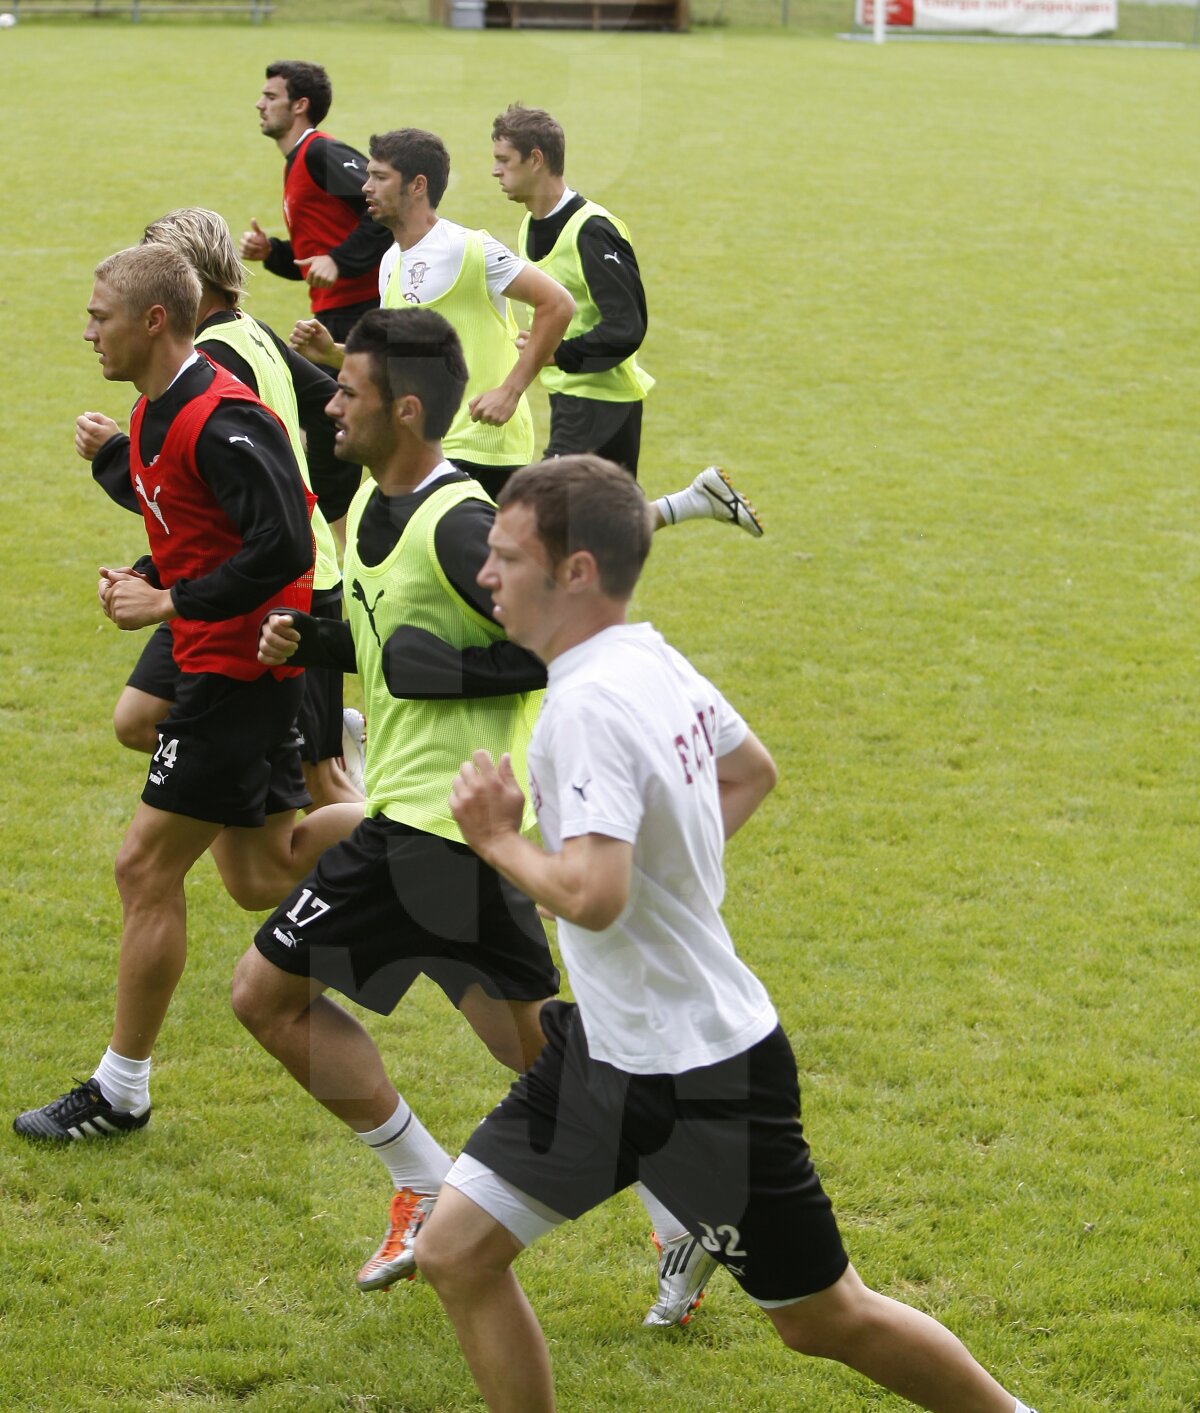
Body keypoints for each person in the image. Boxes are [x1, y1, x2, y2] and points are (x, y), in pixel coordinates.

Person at [414, 455, 1040, 1413]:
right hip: (605, 1057)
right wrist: (661, 874)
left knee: (826, 1318)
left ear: (575, 571)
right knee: (455, 1251)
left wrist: (501, 840)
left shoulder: (583, 703)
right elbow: (750, 772)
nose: (486, 574)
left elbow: (592, 894)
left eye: (504, 556)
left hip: (699, 1077)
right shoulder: (648, 655)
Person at [231, 308, 705, 1323]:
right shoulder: (368, 500)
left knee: (263, 996)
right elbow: (388, 634)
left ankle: (421, 1178)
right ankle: (690, 1207)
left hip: (431, 828)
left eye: (348, 390)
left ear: (402, 409)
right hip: (449, 827)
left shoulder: (455, 522)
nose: (332, 402)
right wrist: (312, 639)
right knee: (541, 1058)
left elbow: (554, 643)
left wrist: (436, 671)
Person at [12, 245, 359, 1144]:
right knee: (259, 874)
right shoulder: (153, 415)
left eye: (100, 316)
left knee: (144, 866)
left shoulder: (219, 418)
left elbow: (284, 545)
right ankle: (421, 824)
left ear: (154, 320)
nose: (87, 331)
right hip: (216, 660)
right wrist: (142, 575)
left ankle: (121, 1087)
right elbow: (195, 531)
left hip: (238, 673)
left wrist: (164, 602)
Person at [78, 207, 365, 808]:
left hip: (283, 586)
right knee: (138, 719)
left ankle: (379, 860)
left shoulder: (211, 363)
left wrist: (111, 456)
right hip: (225, 572)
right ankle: (235, 790)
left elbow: (188, 493)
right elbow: (329, 405)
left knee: (324, 784)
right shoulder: (247, 330)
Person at [490, 102, 764, 539]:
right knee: (603, 533)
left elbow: (627, 327)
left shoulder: (592, 230)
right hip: (576, 400)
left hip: (598, 404)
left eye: (503, 160)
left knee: (530, 523)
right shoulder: (530, 225)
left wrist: (557, 354)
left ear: (536, 159)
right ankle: (691, 501)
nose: (495, 171)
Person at [290, 127, 575, 501]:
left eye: (379, 177)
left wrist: (510, 391)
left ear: (417, 185)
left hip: (479, 447)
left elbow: (557, 303)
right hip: (421, 447)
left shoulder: (468, 248)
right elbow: (400, 357)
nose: (365, 187)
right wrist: (333, 353)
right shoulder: (390, 261)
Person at [240, 61, 393, 344]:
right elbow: (317, 257)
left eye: (271, 97)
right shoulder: (297, 162)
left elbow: (387, 205)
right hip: (336, 313)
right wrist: (271, 251)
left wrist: (338, 261)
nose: (259, 104)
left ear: (300, 105)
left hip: (365, 309)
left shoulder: (319, 152)